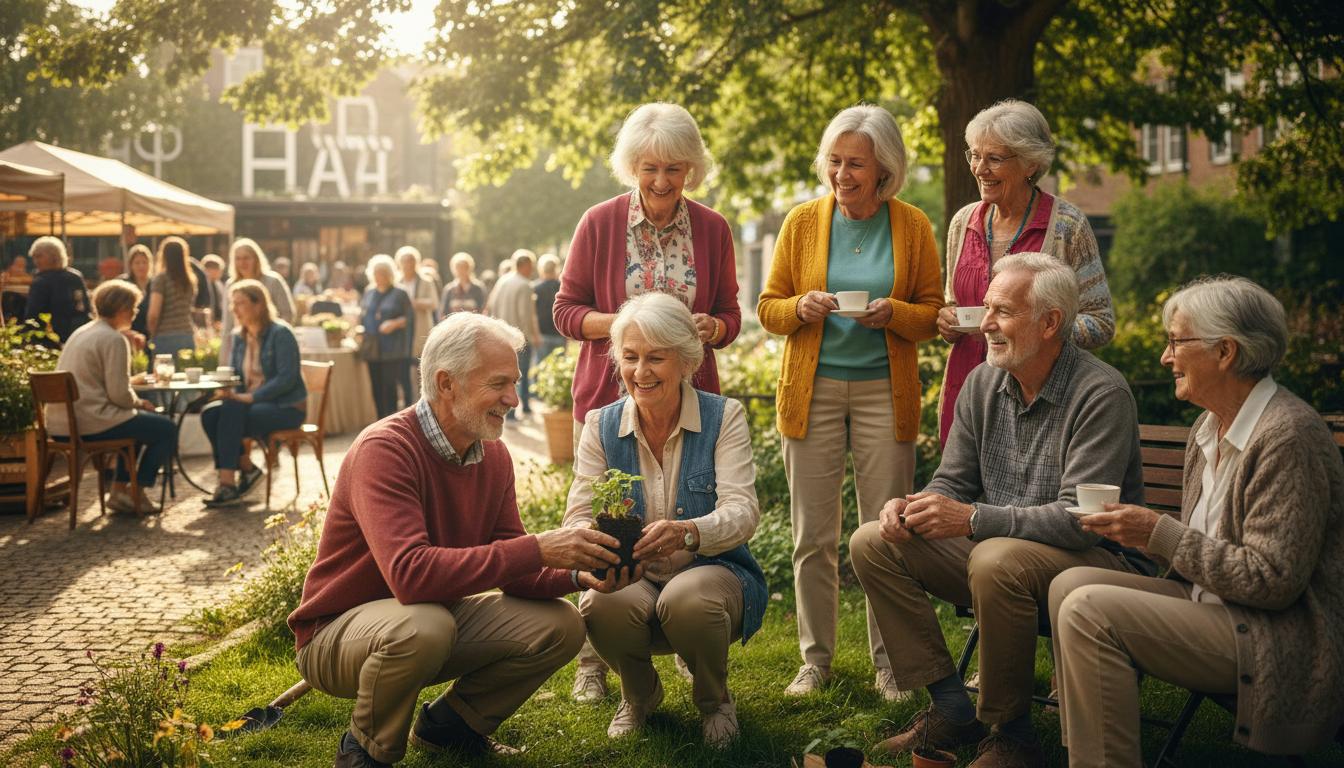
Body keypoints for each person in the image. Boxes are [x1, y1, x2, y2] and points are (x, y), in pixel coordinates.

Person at [288, 311, 638, 767]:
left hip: (430, 619)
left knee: (561, 626)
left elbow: (519, 575)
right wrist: (538, 547)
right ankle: (366, 750)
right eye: (498, 384)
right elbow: (411, 577)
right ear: (446, 383)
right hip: (336, 633)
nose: (513, 398)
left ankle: (450, 726)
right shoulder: (386, 450)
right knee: (426, 626)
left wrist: (580, 570)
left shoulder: (492, 456)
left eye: (514, 382)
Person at [849, 254, 1152, 767]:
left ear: (1051, 322)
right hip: (1001, 561)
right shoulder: (984, 382)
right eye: (986, 307)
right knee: (872, 542)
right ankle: (951, 709)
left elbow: (1081, 522)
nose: (984, 323)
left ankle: (1011, 734)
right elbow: (954, 481)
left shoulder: (1101, 393)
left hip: (1099, 568)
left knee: (996, 558)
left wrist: (970, 520)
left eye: (1003, 311)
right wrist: (913, 506)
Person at [1049, 277, 1344, 767]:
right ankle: (1086, 748)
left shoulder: (1287, 436)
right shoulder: (1209, 426)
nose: (1166, 358)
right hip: (1212, 604)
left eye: (1175, 341)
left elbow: (1273, 581)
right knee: (1069, 583)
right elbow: (1203, 546)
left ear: (1225, 351)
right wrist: (1141, 535)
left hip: (1275, 635)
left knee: (1088, 609)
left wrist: (1160, 534)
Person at [553, 102, 742, 702]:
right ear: (632, 166)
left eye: (676, 169)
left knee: (675, 515)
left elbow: (733, 314)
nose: (662, 182)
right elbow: (564, 311)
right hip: (612, 391)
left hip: (686, 395)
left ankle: (686, 639)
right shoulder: (600, 222)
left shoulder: (712, 228)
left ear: (693, 169)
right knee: (600, 523)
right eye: (651, 168)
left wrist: (712, 327)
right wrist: (635, 328)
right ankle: (592, 659)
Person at [756, 104, 942, 702]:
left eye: (855, 163)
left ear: (883, 167)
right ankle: (816, 660)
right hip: (811, 393)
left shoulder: (911, 225)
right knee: (814, 535)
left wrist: (897, 314)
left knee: (886, 533)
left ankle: (891, 664)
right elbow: (768, 307)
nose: (842, 174)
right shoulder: (803, 222)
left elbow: (933, 313)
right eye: (834, 161)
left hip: (884, 394)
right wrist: (798, 309)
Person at [566, 293, 765, 747]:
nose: (641, 372)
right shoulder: (600, 424)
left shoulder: (723, 416)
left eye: (656, 358)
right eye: (631, 358)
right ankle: (639, 696)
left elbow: (742, 513)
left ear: (686, 360)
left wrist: (689, 532)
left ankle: (714, 701)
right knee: (601, 603)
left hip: (711, 573)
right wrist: (595, 551)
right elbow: (578, 513)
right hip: (633, 577)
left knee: (689, 598)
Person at [938, 100, 1115, 446]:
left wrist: (1036, 331)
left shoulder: (1067, 226)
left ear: (1030, 163)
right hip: (968, 389)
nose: (979, 169)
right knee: (959, 491)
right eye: (974, 155)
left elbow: (1101, 322)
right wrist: (945, 320)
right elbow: (952, 304)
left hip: (1041, 395)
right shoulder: (963, 222)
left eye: (994, 159)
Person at [47, 280, 176, 515]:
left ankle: (119, 491)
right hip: (89, 422)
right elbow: (119, 395)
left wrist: (134, 402)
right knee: (165, 429)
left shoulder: (82, 332)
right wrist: (139, 402)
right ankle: (137, 491)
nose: (135, 313)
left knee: (136, 423)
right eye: (134, 307)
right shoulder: (114, 339)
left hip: (60, 422)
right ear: (122, 308)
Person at [200, 280, 307, 507]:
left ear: (259, 305)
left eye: (241, 303)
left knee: (230, 412)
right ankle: (247, 469)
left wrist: (248, 397)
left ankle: (228, 483)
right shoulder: (238, 336)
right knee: (210, 414)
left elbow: (286, 379)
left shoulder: (281, 333)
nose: (234, 309)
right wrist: (229, 390)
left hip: (286, 407)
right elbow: (236, 375)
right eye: (233, 303)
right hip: (246, 405)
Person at [486, 249, 542, 418]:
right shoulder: (525, 284)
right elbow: (526, 315)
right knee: (520, 373)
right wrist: (531, 337)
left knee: (504, 376)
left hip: (499, 336)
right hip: (518, 337)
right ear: (524, 265)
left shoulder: (502, 280)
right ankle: (523, 407)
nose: (532, 270)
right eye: (530, 266)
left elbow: (491, 306)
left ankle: (510, 411)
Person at [220, 238, 296, 362]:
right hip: (242, 346)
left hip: (270, 346)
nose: (242, 262)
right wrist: (224, 358)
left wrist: (274, 338)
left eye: (246, 258)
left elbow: (287, 313)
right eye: (238, 258)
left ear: (256, 259)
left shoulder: (273, 281)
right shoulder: (230, 285)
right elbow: (227, 323)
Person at [361, 254, 414, 418]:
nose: (380, 276)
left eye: (383, 272)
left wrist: (395, 323)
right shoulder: (369, 292)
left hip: (392, 348)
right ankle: (379, 421)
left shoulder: (400, 293)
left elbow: (410, 319)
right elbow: (363, 315)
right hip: (373, 348)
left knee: (389, 387)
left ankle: (390, 423)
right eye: (376, 273)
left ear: (390, 273)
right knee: (376, 387)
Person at [24, 236, 91, 344]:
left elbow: (84, 308)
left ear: (54, 256)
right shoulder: (74, 277)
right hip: (54, 338)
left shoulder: (43, 281)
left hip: (69, 336)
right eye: (34, 257)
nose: (36, 261)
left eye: (39, 256)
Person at [395, 245, 439, 400]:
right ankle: (407, 401)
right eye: (405, 261)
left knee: (421, 366)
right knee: (404, 369)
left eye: (412, 261)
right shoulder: (396, 281)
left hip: (420, 328)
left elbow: (434, 303)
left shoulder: (426, 281)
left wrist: (415, 303)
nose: (408, 264)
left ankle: (424, 400)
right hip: (402, 330)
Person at [146, 237, 199, 363]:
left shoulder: (161, 279)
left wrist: (152, 335)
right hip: (187, 333)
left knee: (165, 378)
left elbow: (154, 314)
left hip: (165, 336)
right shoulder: (190, 280)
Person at [533, 253, 565, 366]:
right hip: (560, 333)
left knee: (541, 368)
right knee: (559, 368)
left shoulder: (535, 288)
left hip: (542, 334)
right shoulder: (563, 287)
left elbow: (533, 314)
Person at [118, 244, 154, 337]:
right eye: (137, 263)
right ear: (131, 265)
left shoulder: (156, 284)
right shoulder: (123, 283)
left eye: (144, 262)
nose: (141, 266)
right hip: (129, 333)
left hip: (152, 333)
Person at [440, 251, 487, 316]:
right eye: (459, 268)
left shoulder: (477, 288)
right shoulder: (449, 289)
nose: (461, 271)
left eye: (464, 267)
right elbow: (444, 312)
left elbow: (482, 309)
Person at [200, 254, 227, 331]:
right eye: (219, 270)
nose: (221, 273)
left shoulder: (218, 284)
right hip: (204, 325)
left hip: (215, 324)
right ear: (210, 270)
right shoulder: (201, 285)